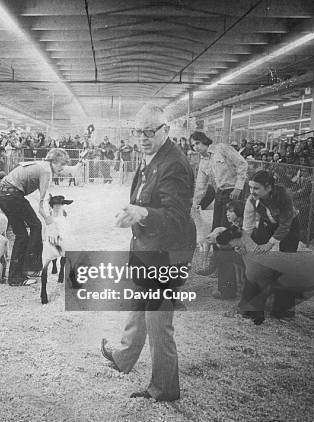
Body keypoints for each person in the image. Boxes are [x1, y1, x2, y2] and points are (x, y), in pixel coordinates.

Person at [101, 104, 195, 402]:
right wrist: (137, 212)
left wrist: (143, 212)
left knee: (158, 320)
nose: (142, 137)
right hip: (148, 244)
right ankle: (125, 357)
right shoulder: (152, 156)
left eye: (149, 132)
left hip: (166, 250)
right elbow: (147, 198)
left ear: (166, 130)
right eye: (137, 132)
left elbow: (177, 217)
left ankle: (164, 389)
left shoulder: (175, 164)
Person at [0, 148, 69, 286]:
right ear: (53, 162)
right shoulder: (47, 171)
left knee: (22, 235)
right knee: (36, 226)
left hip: (4, 196)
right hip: (13, 196)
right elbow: (42, 204)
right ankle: (30, 269)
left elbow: (41, 196)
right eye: (61, 164)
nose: (62, 168)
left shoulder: (41, 165)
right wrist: (50, 222)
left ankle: (17, 275)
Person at [238, 170, 300, 324]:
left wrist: (269, 244)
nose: (252, 192)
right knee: (256, 263)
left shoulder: (284, 197)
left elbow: (285, 225)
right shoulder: (251, 200)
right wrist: (246, 244)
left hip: (290, 228)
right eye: (250, 187)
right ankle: (250, 307)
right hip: (267, 225)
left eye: (256, 188)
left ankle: (283, 310)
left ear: (268, 187)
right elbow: (247, 226)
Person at [191, 131, 248, 299]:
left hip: (235, 194)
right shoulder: (203, 162)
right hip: (220, 195)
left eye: (197, 143)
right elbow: (201, 186)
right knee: (217, 237)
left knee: (228, 239)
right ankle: (223, 281)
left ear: (204, 141)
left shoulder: (222, 149)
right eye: (193, 145)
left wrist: (238, 187)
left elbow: (242, 164)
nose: (196, 147)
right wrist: (194, 204)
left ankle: (230, 288)